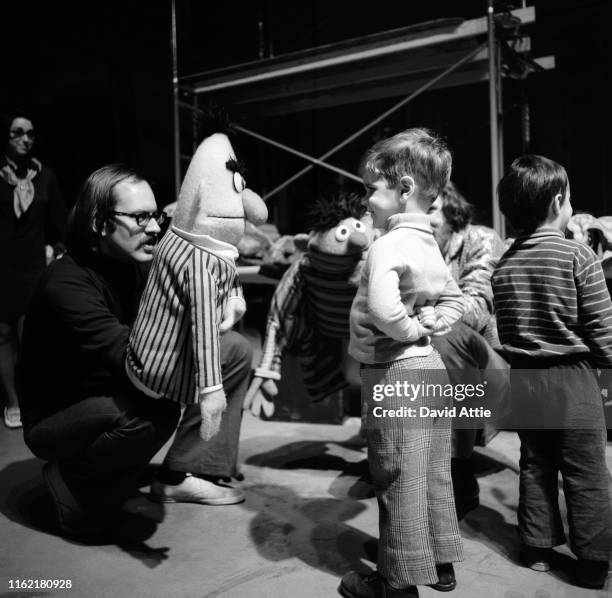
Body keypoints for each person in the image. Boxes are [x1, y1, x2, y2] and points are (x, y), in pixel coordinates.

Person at [339, 128, 464, 598]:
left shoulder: (386, 245)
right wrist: (431, 323)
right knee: (433, 469)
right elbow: (455, 297)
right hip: (430, 367)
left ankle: (395, 582)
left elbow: (383, 311)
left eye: (373, 187)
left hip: (397, 372)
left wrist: (410, 328)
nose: (367, 198)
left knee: (395, 476)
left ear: (405, 188)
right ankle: (440, 563)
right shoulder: (429, 241)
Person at [492, 154, 612, 589]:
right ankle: (594, 561)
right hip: (573, 377)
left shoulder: (503, 266)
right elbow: (601, 327)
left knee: (535, 464)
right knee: (587, 472)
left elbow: (504, 329)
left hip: (526, 377)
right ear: (559, 200)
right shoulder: (577, 255)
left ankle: (537, 548)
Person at [427, 182, 508, 519]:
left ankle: (459, 468)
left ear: (451, 212)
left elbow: (475, 310)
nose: (422, 219)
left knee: (449, 335)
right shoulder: (407, 242)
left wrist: (418, 315)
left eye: (431, 210)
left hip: (493, 371)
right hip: (436, 359)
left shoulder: (481, 239)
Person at [0, 110, 66, 429]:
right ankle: (12, 403)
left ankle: (34, 400)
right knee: (2, 336)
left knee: (32, 337)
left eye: (30, 133)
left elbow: (59, 221)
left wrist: (57, 248)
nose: (25, 139)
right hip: (2, 268)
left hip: (32, 268)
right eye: (17, 132)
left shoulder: (45, 175)